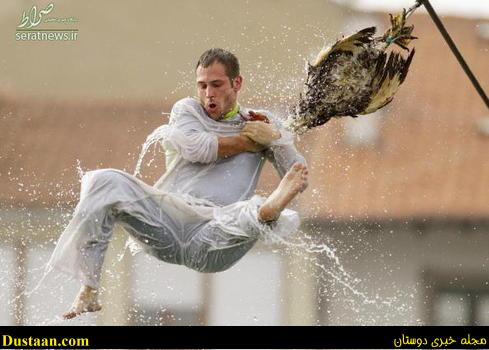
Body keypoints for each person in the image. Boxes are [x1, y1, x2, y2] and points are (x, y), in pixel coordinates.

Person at [46, 48, 308, 319]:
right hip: (168, 226)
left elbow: (298, 175)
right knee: (103, 181)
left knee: (249, 211)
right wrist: (251, 141)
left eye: (217, 85)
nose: (209, 94)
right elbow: (197, 148)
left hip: (215, 238)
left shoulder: (263, 122)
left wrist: (276, 137)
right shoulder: (187, 111)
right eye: (202, 85)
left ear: (237, 83)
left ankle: (266, 212)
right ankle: (89, 286)